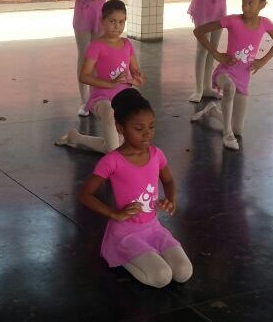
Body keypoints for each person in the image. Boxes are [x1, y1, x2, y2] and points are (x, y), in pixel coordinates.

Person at [78, 89, 192, 288]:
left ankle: (147, 256)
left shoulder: (156, 154)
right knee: (162, 277)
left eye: (151, 127)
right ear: (120, 128)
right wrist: (114, 213)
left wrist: (170, 199)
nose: (147, 134)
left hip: (153, 227)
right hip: (126, 233)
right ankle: (116, 250)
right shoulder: (112, 161)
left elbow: (168, 181)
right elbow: (85, 194)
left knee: (184, 272)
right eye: (139, 128)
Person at [191, 0, 273, 151]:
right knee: (229, 88)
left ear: (262, 5)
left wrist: (263, 61)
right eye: (243, 2)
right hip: (225, 72)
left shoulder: (265, 23)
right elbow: (198, 31)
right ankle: (227, 134)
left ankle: (213, 111)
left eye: (250, 3)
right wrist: (216, 54)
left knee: (238, 129)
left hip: (243, 77)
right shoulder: (232, 20)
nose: (245, 7)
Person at [55, 0, 143, 154]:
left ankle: (76, 137)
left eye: (121, 22)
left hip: (123, 99)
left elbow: (136, 72)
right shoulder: (96, 46)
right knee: (110, 116)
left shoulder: (127, 44)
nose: (117, 26)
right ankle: (84, 139)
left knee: (116, 147)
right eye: (112, 21)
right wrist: (110, 84)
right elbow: (84, 76)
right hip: (102, 99)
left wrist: (136, 78)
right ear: (102, 21)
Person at [57, 0, 127, 116]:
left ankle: (98, 96)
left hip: (100, 16)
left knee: (98, 56)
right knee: (84, 55)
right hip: (82, 15)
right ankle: (84, 100)